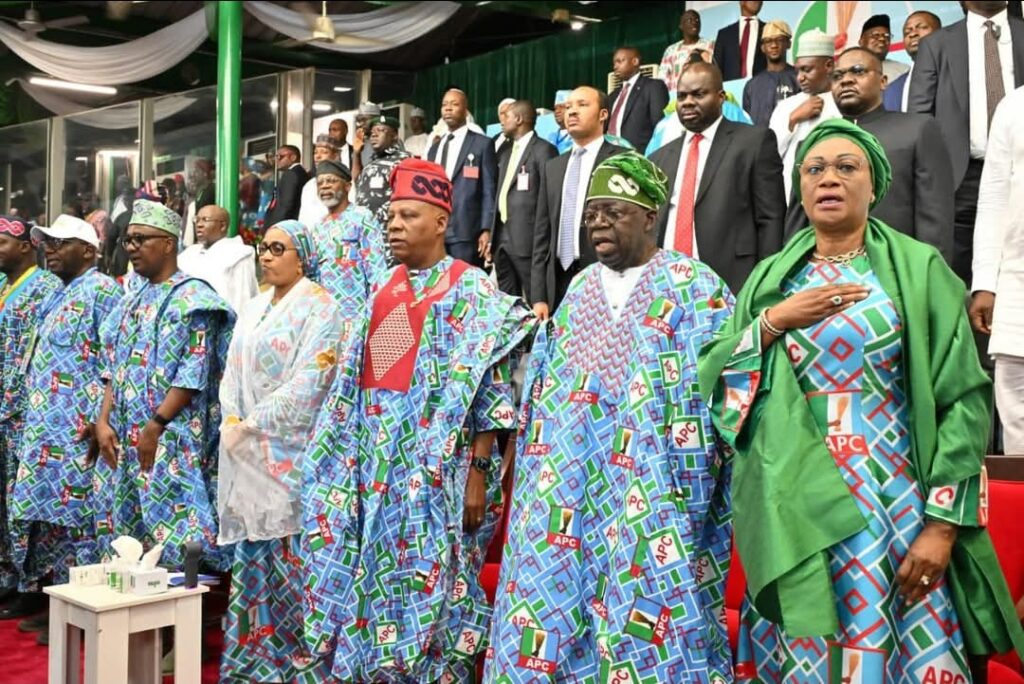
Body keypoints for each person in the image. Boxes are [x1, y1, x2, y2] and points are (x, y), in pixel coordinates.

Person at [698, 118, 1024, 683]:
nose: (829, 178)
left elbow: (965, 402)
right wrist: (774, 321)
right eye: (815, 169)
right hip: (792, 509)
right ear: (801, 188)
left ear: (874, 187)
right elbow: (718, 387)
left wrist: (942, 526)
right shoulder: (771, 280)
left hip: (891, 510)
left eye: (846, 168)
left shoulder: (920, 270)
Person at [485, 152, 734, 683]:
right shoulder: (578, 290)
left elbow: (720, 391)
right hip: (570, 490)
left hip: (651, 490)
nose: (597, 223)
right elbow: (547, 395)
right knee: (552, 609)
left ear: (649, 217)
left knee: (646, 613)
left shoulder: (696, 287)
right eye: (591, 214)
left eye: (613, 212)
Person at [301, 158, 536, 681]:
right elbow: (355, 387)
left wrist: (477, 474)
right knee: (372, 576)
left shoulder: (472, 291)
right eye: (391, 216)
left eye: (408, 216)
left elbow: (491, 393)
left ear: (440, 222)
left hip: (440, 473)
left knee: (440, 582)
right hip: (373, 466)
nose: (394, 225)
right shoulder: (383, 288)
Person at [218, 220, 344, 683]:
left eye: (277, 248)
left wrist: (253, 423)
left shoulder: (323, 308)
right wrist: (232, 418)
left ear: (302, 257)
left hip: (294, 452)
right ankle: (254, 662)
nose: (266, 256)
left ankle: (301, 666)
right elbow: (232, 373)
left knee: (294, 564)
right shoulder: (253, 306)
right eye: (263, 248)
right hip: (247, 452)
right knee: (254, 557)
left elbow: (311, 382)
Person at [93, 199, 234, 568]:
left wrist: (155, 426)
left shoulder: (194, 298)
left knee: (180, 529)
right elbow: (113, 367)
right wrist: (102, 421)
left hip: (170, 435)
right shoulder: (131, 299)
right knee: (126, 532)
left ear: (169, 243)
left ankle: (190, 597)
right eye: (128, 240)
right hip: (125, 434)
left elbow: (193, 372)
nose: (132, 247)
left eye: (141, 239)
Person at [8, 216, 120, 642]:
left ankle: (87, 612)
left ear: (88, 250)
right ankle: (61, 604)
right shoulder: (58, 292)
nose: (50, 250)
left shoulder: (103, 291)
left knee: (81, 521)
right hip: (44, 426)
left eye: (60, 243)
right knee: (52, 522)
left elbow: (114, 362)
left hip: (79, 429)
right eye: (47, 243)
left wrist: (101, 419)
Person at [785, 47, 955, 261]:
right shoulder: (813, 143)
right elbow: (797, 227)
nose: (846, 80)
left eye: (858, 71)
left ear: (883, 81)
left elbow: (935, 220)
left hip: (897, 268)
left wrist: (930, 272)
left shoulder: (917, 130)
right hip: (826, 272)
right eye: (837, 76)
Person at [909, 0, 1024, 284]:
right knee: (958, 274)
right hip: (961, 177)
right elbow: (920, 119)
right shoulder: (936, 44)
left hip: (1020, 169)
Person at [650, 62, 785, 295]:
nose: (688, 102)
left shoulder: (754, 142)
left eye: (698, 94)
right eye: (681, 96)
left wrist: (765, 282)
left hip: (734, 282)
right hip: (668, 283)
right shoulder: (660, 157)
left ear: (721, 97)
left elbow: (771, 218)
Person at [0, 215, 61, 619]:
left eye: (2, 242)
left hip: (26, 410)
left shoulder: (46, 288)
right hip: (2, 409)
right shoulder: (3, 285)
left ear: (26, 247)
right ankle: (7, 575)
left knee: (24, 500)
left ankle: (32, 583)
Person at [531, 86, 626, 318]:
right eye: (568, 106)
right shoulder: (553, 167)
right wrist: (539, 295)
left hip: (603, 276)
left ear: (603, 114)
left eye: (582, 105)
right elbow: (542, 232)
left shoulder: (620, 160)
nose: (572, 111)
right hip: (557, 280)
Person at [970, 85, 1024, 454]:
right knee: (1017, 412)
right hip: (1017, 281)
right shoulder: (1014, 105)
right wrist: (986, 281)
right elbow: (993, 197)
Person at [490, 100, 557, 300]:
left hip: (528, 241)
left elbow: (548, 198)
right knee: (506, 302)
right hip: (502, 238)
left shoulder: (543, 150)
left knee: (536, 300)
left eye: (507, 116)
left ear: (518, 119)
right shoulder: (504, 152)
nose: (502, 121)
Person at [427, 88, 498, 267]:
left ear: (466, 110)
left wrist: (486, 229)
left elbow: (489, 190)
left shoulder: (481, 144)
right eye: (444, 105)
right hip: (435, 230)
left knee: (463, 280)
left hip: (466, 231)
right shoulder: (434, 149)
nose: (448, 108)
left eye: (454, 104)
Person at [769, 29, 840, 199]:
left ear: (829, 66)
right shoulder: (787, 106)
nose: (800, 77)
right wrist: (793, 119)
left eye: (807, 70)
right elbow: (769, 155)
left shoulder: (843, 103)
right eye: (798, 71)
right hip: (791, 199)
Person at [310, 159, 388, 308]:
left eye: (331, 181)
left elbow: (376, 268)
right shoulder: (318, 227)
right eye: (320, 183)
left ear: (348, 186)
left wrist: (375, 308)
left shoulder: (362, 217)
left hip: (356, 311)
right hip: (324, 312)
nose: (324, 186)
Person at [178, 204, 258, 315]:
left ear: (222, 226)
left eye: (205, 220)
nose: (199, 224)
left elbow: (242, 300)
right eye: (197, 219)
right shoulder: (189, 253)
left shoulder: (237, 255)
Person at [353, 115, 412, 249]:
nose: (374, 135)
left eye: (380, 130)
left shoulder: (404, 161)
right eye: (372, 132)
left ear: (394, 136)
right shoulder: (372, 163)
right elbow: (357, 181)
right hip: (367, 234)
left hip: (389, 235)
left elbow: (407, 201)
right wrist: (356, 154)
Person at [607, 46, 669, 153]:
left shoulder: (653, 86)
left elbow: (660, 126)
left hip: (641, 155)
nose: (615, 67)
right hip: (610, 155)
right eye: (614, 63)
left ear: (635, 61)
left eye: (620, 61)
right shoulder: (613, 95)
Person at [742, 20, 799, 127]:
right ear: (762, 47)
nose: (774, 45)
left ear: (789, 44)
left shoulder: (800, 78)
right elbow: (747, 124)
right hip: (760, 138)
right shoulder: (751, 85)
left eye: (779, 40)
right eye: (768, 41)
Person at [883, 11, 941, 112]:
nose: (912, 34)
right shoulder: (891, 90)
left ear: (941, 33)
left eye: (922, 27)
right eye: (906, 32)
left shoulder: (960, 72)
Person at [659, 9, 715, 92]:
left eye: (697, 20)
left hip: (703, 93)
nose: (694, 22)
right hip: (677, 96)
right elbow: (662, 78)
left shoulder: (710, 45)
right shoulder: (671, 50)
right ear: (681, 26)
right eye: (690, 20)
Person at [713, 1, 766, 80]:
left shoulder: (768, 30)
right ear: (742, 2)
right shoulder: (724, 34)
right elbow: (717, 67)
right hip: (731, 86)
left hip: (761, 84)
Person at [298, 134, 341, 230]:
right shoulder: (309, 185)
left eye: (324, 152)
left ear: (335, 156)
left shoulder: (343, 182)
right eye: (315, 152)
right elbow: (303, 217)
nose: (318, 156)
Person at [264, 145, 310, 229]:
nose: (276, 160)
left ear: (293, 157)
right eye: (275, 157)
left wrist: (275, 227)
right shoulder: (300, 172)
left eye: (280, 157)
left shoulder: (291, 174)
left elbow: (286, 205)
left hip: (284, 226)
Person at [858, 14, 909, 82]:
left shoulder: (904, 70)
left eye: (887, 36)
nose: (882, 38)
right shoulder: (847, 67)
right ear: (861, 41)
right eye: (876, 35)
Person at [183, 159, 215, 248]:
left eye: (196, 171)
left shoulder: (211, 190)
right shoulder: (202, 191)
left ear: (205, 174)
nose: (193, 174)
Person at [354, 102, 381, 169]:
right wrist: (356, 153)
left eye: (364, 119)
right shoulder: (361, 142)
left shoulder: (390, 140)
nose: (361, 124)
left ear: (376, 119)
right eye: (359, 120)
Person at [546, 90, 574, 154]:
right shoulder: (551, 137)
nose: (557, 111)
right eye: (555, 108)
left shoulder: (577, 137)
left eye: (561, 107)